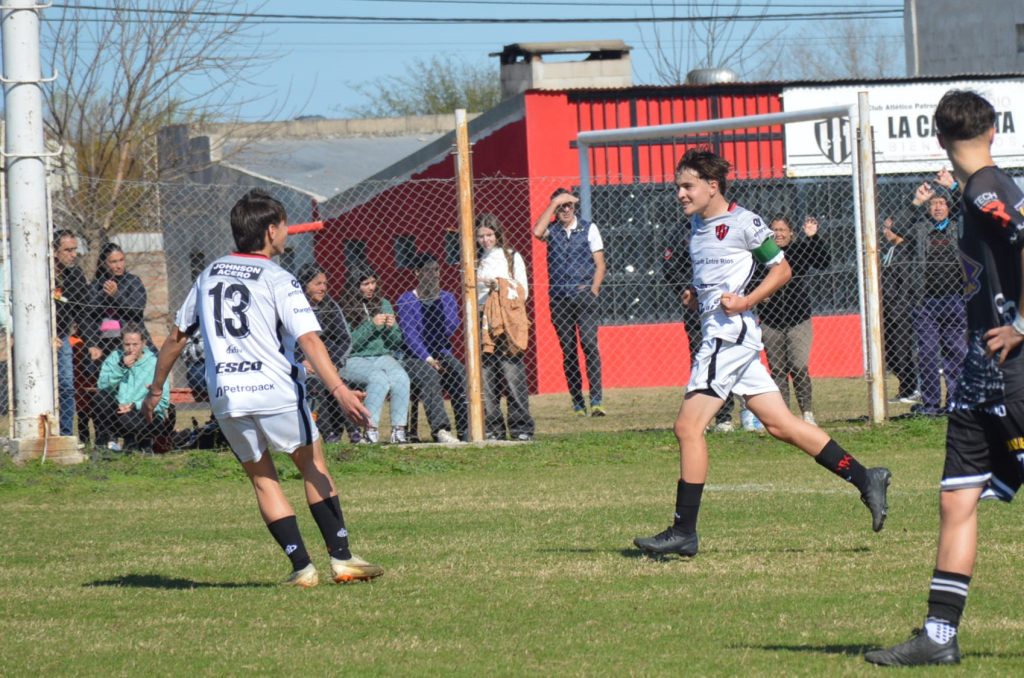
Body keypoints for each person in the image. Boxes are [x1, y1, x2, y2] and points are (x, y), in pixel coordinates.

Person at [632, 148, 891, 558]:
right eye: (677, 186)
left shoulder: (745, 222)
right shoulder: (696, 225)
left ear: (712, 186)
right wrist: (697, 293)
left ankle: (684, 531)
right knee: (782, 425)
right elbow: (715, 275)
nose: (680, 193)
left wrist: (747, 300)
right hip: (726, 336)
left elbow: (782, 269)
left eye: (687, 186)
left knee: (687, 427)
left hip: (729, 336)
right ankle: (866, 478)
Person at [142, 188, 383, 587]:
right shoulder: (279, 278)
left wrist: (155, 390)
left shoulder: (209, 274)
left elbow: (175, 338)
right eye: (284, 225)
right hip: (275, 390)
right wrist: (339, 389)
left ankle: (302, 567)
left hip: (228, 395)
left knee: (263, 479)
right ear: (271, 231)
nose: (287, 232)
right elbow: (309, 339)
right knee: (313, 465)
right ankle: (342, 558)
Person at [864, 90, 1024, 667]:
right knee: (957, 496)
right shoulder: (977, 189)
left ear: (938, 137)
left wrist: (1021, 324)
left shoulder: (986, 188)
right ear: (993, 130)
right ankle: (938, 635)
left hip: (1012, 371)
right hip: (980, 374)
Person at [891, 173, 967, 416]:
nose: (937, 207)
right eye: (933, 203)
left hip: (955, 300)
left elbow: (971, 209)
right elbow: (898, 227)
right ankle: (931, 404)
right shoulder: (920, 228)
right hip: (925, 302)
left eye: (942, 203)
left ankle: (955, 402)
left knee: (956, 353)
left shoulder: (958, 226)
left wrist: (953, 186)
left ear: (949, 207)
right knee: (927, 354)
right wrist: (916, 201)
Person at [532, 188, 607, 417]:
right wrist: (554, 203)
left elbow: (600, 264)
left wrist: (593, 291)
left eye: (569, 205)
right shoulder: (552, 230)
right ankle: (577, 403)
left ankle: (596, 401)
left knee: (589, 344)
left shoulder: (588, 228)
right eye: (561, 206)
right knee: (568, 350)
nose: (566, 210)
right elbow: (537, 231)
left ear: (575, 207)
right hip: (559, 299)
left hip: (584, 296)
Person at [756, 215, 832, 425]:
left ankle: (807, 412)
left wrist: (813, 237)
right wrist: (760, 294)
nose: (778, 234)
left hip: (798, 318)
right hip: (770, 320)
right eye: (774, 230)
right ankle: (784, 416)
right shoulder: (762, 254)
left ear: (791, 233)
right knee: (778, 370)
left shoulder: (800, 250)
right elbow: (751, 279)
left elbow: (823, 262)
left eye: (782, 230)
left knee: (798, 366)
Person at [396, 253, 467, 444]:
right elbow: (410, 337)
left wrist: (436, 301)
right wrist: (428, 358)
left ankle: (466, 428)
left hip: (441, 353)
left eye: (436, 270)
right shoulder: (406, 300)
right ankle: (440, 430)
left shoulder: (447, 298)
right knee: (430, 374)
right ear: (417, 273)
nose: (434, 274)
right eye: (428, 270)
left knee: (460, 372)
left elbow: (450, 328)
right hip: (414, 357)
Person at [477, 213, 535, 441]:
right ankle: (493, 428)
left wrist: (499, 286)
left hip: (506, 318)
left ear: (497, 234)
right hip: (482, 319)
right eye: (481, 236)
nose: (485, 240)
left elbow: (523, 291)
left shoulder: (511, 257)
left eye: (489, 235)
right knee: (486, 375)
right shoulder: (475, 259)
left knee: (512, 372)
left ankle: (521, 427)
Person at [340, 267, 411, 444]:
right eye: (365, 284)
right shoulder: (345, 307)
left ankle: (398, 430)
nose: (371, 287)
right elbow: (349, 344)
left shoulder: (384, 304)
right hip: (354, 358)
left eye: (373, 282)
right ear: (355, 286)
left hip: (382, 355)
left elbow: (395, 342)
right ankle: (370, 430)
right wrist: (371, 325)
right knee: (378, 378)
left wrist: (391, 328)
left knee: (401, 377)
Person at [295, 263, 359, 444]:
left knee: (340, 384)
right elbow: (284, 342)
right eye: (318, 284)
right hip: (303, 366)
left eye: (325, 284)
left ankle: (354, 432)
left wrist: (334, 363)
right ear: (305, 284)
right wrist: (300, 361)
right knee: (317, 386)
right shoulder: (293, 306)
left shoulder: (330, 305)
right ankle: (329, 434)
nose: (323, 288)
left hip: (328, 363)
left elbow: (344, 339)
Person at [93, 324, 170, 452]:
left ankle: (141, 443)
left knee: (128, 418)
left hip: (145, 412)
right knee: (100, 398)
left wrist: (136, 405)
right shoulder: (114, 358)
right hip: (119, 409)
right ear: (122, 343)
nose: (131, 349)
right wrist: (121, 367)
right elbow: (102, 385)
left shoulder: (154, 363)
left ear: (144, 343)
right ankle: (104, 444)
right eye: (127, 344)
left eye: (135, 344)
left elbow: (164, 400)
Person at [52, 230, 93, 437]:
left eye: (75, 249)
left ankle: (66, 434)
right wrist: (48, 335)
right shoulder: (42, 273)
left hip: (62, 336)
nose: (73, 254)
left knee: (67, 386)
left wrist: (91, 342)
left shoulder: (75, 274)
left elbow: (82, 311)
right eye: (68, 250)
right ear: (54, 251)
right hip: (39, 337)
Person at [880, 215, 921, 404]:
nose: (884, 232)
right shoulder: (890, 250)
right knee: (891, 353)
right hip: (887, 308)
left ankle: (911, 388)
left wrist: (899, 308)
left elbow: (905, 283)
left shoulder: (905, 250)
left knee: (902, 350)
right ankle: (905, 387)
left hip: (900, 310)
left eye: (887, 228)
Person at [90, 242, 148, 360]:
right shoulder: (97, 285)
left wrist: (116, 295)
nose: (119, 266)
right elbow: (89, 311)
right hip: (104, 341)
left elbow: (137, 308)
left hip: (129, 338)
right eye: (113, 262)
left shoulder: (132, 281)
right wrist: (104, 295)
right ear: (104, 264)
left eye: (121, 260)